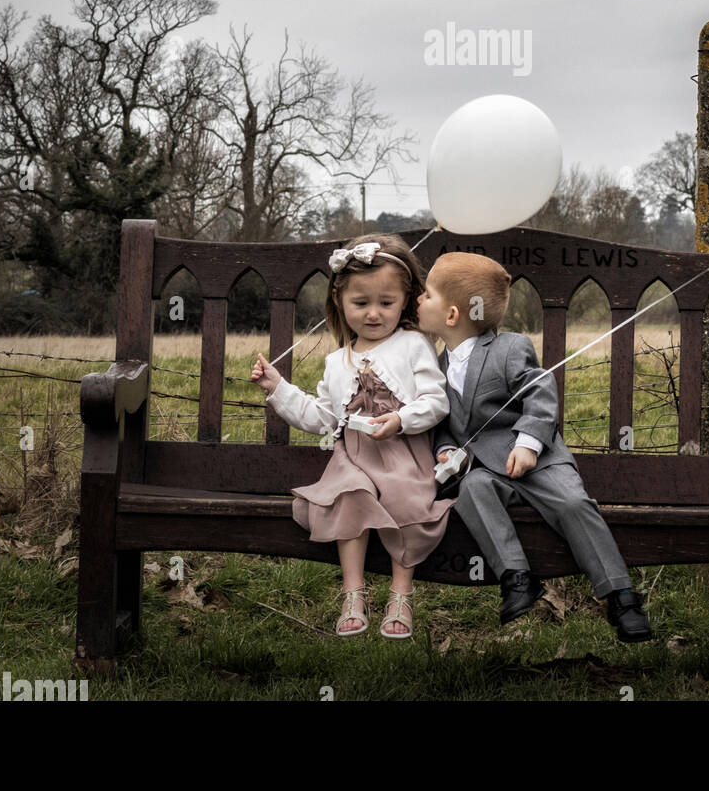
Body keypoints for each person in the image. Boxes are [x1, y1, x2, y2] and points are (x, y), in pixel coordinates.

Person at [419, 251, 654, 642]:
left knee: (573, 504)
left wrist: (529, 443)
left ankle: (621, 596)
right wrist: (444, 450)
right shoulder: (435, 367)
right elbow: (442, 424)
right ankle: (517, 579)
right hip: (488, 472)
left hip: (538, 460)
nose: (418, 302)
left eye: (426, 295)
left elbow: (540, 391)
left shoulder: (509, 348)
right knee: (472, 491)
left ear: (453, 315)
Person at [252, 233, 453, 638]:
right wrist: (279, 389)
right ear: (341, 304)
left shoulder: (414, 345)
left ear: (406, 301)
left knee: (407, 499)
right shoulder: (336, 360)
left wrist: (402, 420)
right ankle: (353, 592)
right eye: (360, 303)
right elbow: (321, 417)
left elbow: (436, 401)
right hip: (355, 456)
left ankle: (400, 592)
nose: (373, 314)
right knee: (349, 494)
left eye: (386, 303)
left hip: (403, 453)